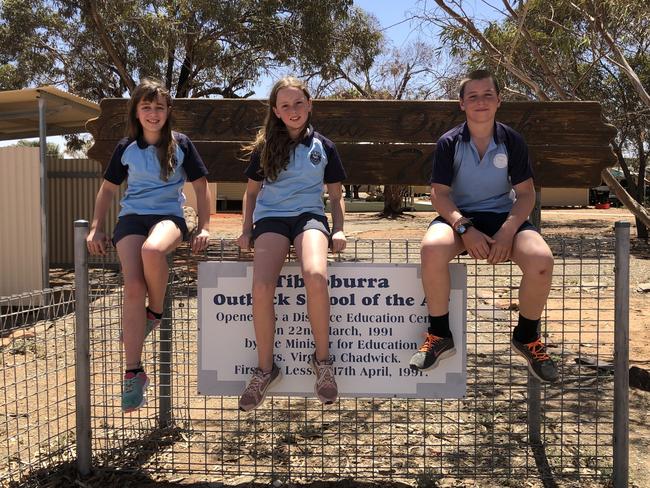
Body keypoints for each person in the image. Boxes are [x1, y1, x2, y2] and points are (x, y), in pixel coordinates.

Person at [409, 69, 558, 383]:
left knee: (542, 261)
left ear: (498, 101)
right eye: (472, 96)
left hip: (504, 217)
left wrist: (507, 230)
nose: (480, 102)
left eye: (487, 95)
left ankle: (527, 337)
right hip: (459, 219)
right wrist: (464, 228)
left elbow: (526, 193)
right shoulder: (449, 142)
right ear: (462, 104)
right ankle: (439, 334)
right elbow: (440, 194)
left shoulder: (511, 140)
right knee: (431, 249)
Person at [86, 78, 211, 412]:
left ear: (168, 111)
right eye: (146, 107)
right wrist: (97, 228)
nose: (153, 113)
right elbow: (108, 190)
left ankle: (154, 311)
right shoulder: (127, 147)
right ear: (137, 112)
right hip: (131, 220)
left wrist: (205, 226)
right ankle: (133, 372)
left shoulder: (181, 144)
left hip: (169, 218)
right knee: (131, 287)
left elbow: (201, 186)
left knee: (152, 251)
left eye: (159, 107)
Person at [236, 76, 347, 411]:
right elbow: (252, 193)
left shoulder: (323, 146)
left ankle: (323, 362)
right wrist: (245, 229)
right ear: (276, 111)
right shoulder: (265, 146)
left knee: (315, 275)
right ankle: (266, 369)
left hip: (309, 218)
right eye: (285, 105)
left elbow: (336, 195)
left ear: (309, 105)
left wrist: (339, 229)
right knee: (261, 287)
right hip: (271, 220)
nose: (293, 110)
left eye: (299, 103)